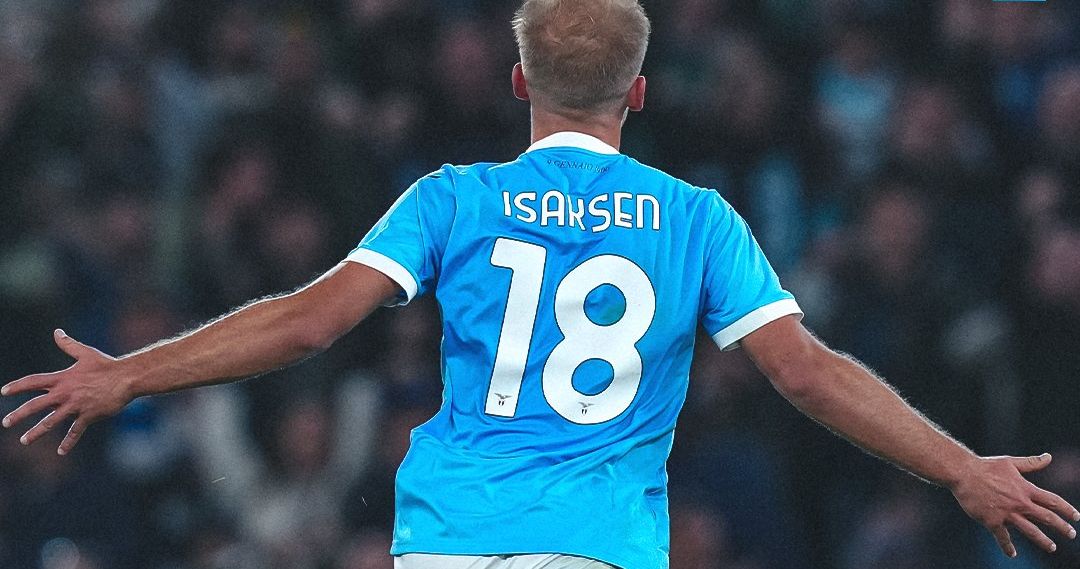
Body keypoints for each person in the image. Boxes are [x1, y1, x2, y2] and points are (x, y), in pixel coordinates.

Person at [3, 1, 1078, 568]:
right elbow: (803, 371)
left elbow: (308, 324)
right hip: (598, 543)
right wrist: (960, 467)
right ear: (638, 93)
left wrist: (131, 374)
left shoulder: (452, 199)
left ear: (520, 81)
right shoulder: (697, 219)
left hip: (448, 538)